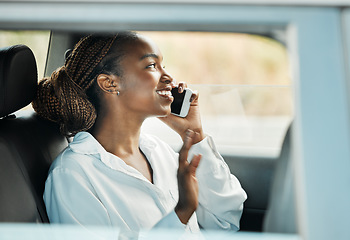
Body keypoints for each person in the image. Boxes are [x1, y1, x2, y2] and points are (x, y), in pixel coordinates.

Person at [32, 32, 247, 232]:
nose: (169, 77)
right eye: (152, 65)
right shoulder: (73, 174)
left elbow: (225, 223)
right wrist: (181, 214)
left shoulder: (160, 153)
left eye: (164, 65)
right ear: (109, 83)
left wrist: (195, 134)